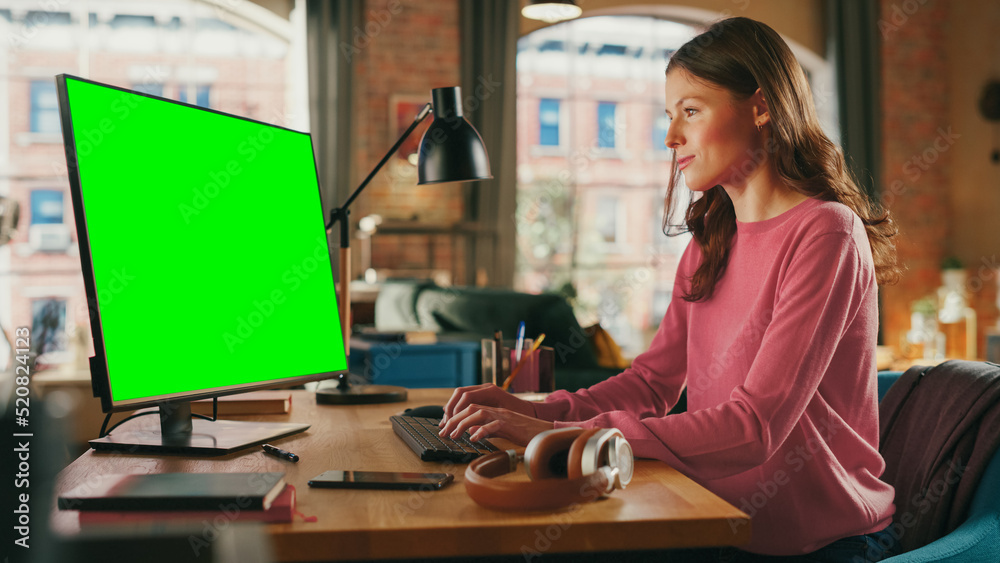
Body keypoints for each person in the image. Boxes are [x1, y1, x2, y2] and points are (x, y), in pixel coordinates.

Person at [439, 16, 901, 562]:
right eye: (668, 115)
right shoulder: (711, 239)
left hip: (820, 543)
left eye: (691, 111)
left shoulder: (825, 232)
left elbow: (755, 428)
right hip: (712, 517)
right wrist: (532, 413)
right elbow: (652, 382)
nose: (670, 137)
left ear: (761, 105)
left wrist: (566, 435)